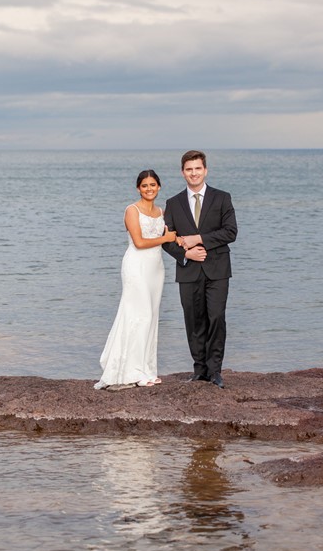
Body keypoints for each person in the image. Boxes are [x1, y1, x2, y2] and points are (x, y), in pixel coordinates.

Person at [161, 150, 237, 388]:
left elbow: (230, 232)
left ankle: (215, 371)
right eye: (189, 169)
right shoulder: (173, 203)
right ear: (183, 172)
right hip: (188, 270)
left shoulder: (222, 198)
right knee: (193, 321)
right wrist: (186, 252)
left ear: (205, 170)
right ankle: (199, 370)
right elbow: (166, 239)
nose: (194, 173)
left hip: (218, 269)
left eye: (198, 168)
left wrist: (198, 238)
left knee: (216, 318)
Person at [95, 170, 177, 390]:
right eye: (144, 186)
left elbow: (173, 237)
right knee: (140, 314)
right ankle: (132, 371)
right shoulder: (132, 211)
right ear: (138, 188)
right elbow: (139, 242)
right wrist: (166, 237)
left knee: (151, 316)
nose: (149, 189)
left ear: (159, 187)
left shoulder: (163, 212)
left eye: (153, 185)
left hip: (156, 268)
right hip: (136, 266)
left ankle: (147, 369)